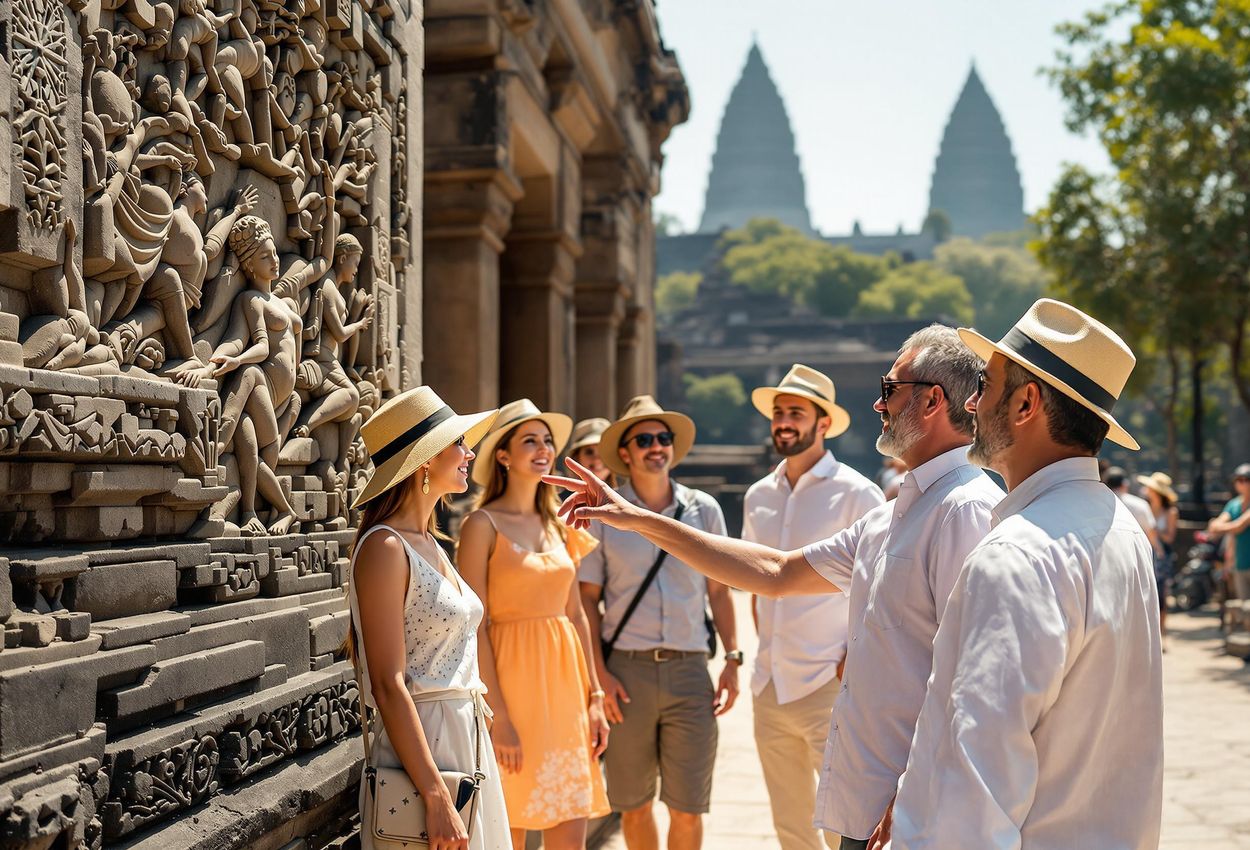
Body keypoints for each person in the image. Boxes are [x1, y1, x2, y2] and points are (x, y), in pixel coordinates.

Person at [548, 327, 1002, 850]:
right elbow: (776, 571)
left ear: (931, 401)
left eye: (889, 388)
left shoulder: (963, 509)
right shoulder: (894, 514)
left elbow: (969, 673)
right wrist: (639, 519)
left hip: (914, 802)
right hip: (869, 789)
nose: (879, 404)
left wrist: (913, 789)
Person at [889, 298, 1163, 848]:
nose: (971, 403)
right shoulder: (1119, 527)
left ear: (1025, 403)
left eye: (985, 386)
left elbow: (975, 789)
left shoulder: (1017, 552)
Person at [345, 386, 511, 850]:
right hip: (427, 745)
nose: (470, 453)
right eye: (458, 443)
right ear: (424, 460)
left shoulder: (431, 542)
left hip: (464, 733)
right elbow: (387, 683)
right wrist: (435, 793)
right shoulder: (384, 547)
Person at [576, 395, 740, 850]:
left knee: (689, 805)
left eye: (663, 438)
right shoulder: (605, 516)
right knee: (634, 804)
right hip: (626, 674)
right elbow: (586, 602)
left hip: (691, 671)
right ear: (624, 453)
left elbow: (721, 590)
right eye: (643, 439)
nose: (656, 446)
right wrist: (600, 677)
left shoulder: (703, 509)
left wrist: (732, 658)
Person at [458, 399, 611, 849]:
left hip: (567, 694)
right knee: (509, 831)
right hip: (511, 689)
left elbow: (577, 615)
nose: (543, 449)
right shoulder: (480, 525)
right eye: (530, 440)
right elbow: (475, 626)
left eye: (547, 441)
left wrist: (596, 696)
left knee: (571, 831)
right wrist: (498, 715)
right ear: (503, 455)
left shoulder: (562, 524)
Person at [743, 365, 884, 850]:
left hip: (830, 681)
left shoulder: (858, 493)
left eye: (796, 413)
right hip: (769, 684)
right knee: (791, 829)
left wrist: (852, 662)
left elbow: (877, 590)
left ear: (823, 424)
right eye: (779, 413)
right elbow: (756, 584)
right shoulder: (757, 496)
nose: (784, 422)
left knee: (843, 825)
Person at [1138, 471, 1179, 641]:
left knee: (1161, 595)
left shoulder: (1171, 511)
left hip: (1162, 557)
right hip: (1146, 551)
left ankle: (1161, 634)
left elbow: (1170, 537)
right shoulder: (1144, 508)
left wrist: (1154, 531)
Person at [1208, 464, 1250, 603]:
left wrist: (1223, 527)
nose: (1242, 483)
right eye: (1239, 480)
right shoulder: (1233, 504)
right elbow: (1214, 525)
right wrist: (1228, 526)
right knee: (1244, 610)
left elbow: (1238, 526)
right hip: (1240, 563)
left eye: (1246, 480)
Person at [567, 418, 615, 486]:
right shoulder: (559, 497)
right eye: (589, 452)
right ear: (576, 457)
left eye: (603, 452)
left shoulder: (626, 495)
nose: (597, 460)